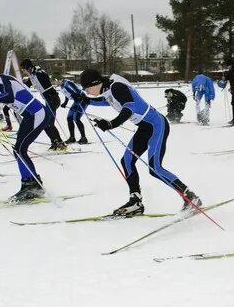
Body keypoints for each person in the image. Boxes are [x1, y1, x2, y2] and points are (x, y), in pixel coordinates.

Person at [80, 69, 201, 215]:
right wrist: (86, 100)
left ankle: (191, 197)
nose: (87, 92)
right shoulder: (109, 89)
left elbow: (129, 108)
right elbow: (108, 101)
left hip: (156, 125)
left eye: (86, 89)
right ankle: (135, 201)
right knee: (127, 160)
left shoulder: (117, 87)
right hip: (144, 128)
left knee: (155, 168)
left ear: (94, 83)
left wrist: (112, 124)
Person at [0, 69, 50, 202]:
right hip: (29, 116)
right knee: (18, 150)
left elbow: (9, 96)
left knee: (19, 150)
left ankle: (31, 185)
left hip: (37, 113)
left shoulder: (1, 79)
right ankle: (32, 184)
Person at [21, 58, 66, 151]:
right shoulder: (32, 75)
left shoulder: (40, 73)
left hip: (53, 99)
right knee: (46, 123)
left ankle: (60, 143)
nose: (24, 72)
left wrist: (36, 71)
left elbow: (45, 78)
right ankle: (54, 142)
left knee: (48, 122)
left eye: (24, 70)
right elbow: (27, 85)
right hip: (48, 100)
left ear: (28, 68)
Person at [60, 78, 88, 144]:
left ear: (60, 79)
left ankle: (84, 138)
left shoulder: (67, 83)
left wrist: (78, 97)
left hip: (82, 100)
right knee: (69, 118)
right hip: (77, 101)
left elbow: (76, 91)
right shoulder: (62, 86)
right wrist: (65, 103)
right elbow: (67, 94)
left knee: (76, 118)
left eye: (57, 81)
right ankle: (72, 138)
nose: (56, 83)